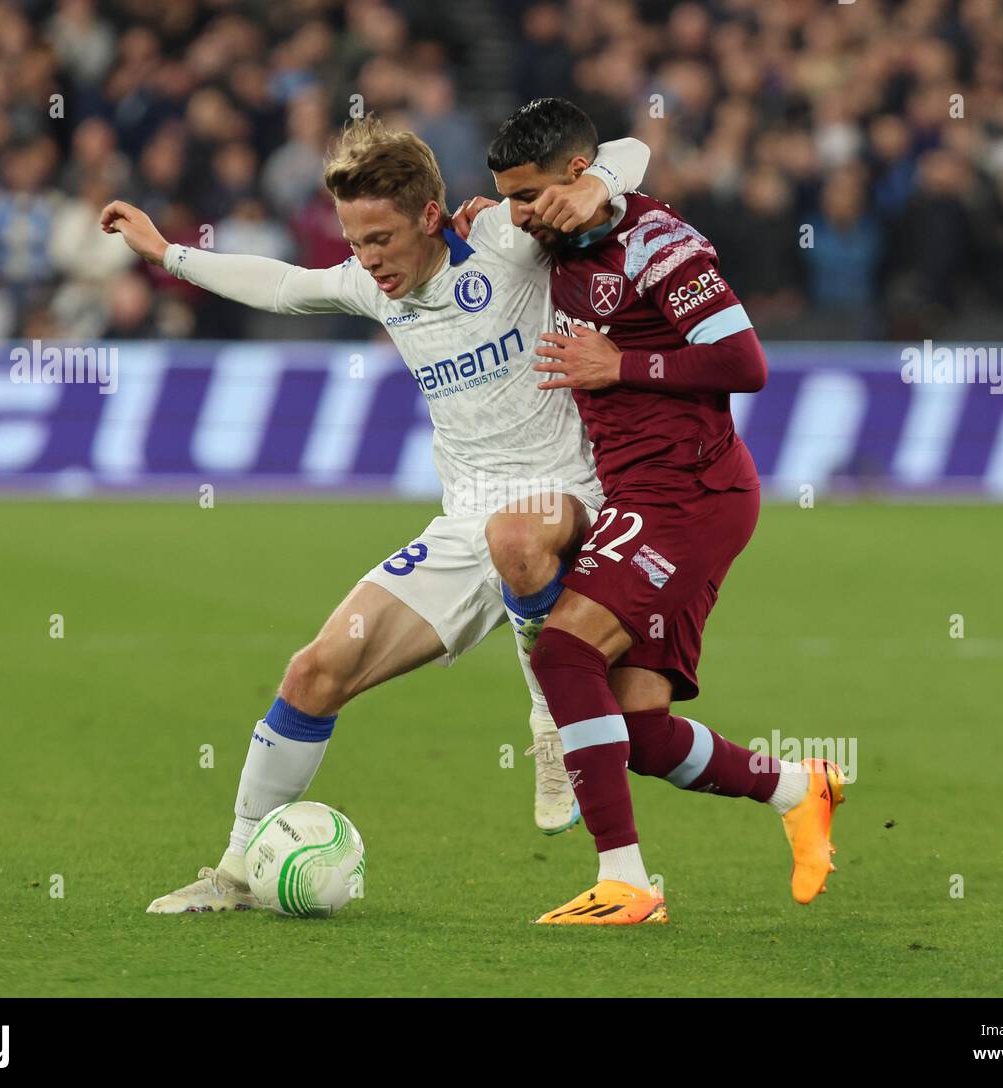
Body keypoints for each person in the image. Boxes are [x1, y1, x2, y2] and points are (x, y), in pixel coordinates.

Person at [101, 115, 651, 911]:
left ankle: (548, 716)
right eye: (355, 241)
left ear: (432, 216)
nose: (368, 260)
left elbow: (631, 152)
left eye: (382, 239)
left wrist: (596, 182)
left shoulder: (505, 238)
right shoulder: (370, 285)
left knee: (518, 536)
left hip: (567, 499)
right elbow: (286, 285)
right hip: (465, 527)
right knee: (314, 671)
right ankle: (234, 872)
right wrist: (167, 254)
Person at [476, 98, 847, 925]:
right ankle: (800, 786)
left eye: (529, 195)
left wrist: (623, 365)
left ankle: (626, 881)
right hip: (639, 496)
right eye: (508, 197)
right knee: (637, 732)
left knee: (565, 654)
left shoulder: (659, 244)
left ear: (577, 175)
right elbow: (622, 157)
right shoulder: (559, 232)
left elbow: (745, 362)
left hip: (688, 492)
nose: (519, 214)